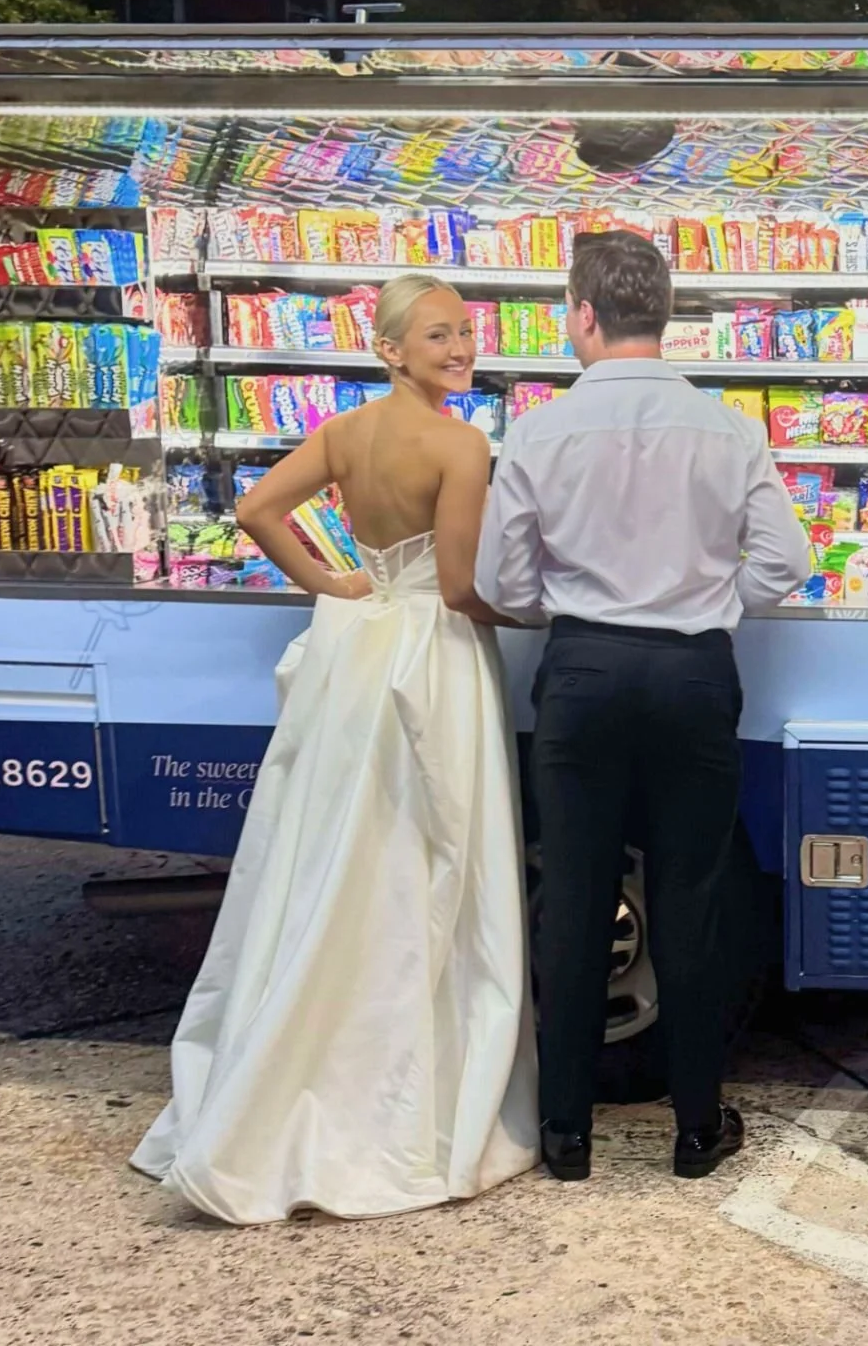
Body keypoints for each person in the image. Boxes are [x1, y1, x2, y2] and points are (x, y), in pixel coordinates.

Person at [132, 275, 538, 1222]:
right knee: (433, 856)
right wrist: (527, 607)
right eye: (440, 334)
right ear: (392, 347)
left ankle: (280, 1064)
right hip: (434, 659)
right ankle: (407, 1091)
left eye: (466, 331)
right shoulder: (463, 443)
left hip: (356, 659)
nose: (461, 347)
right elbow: (460, 586)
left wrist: (336, 582)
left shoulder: (347, 433)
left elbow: (259, 509)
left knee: (334, 853)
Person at [475, 230, 811, 1183]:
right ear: (662, 314)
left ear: (584, 315)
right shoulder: (729, 428)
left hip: (581, 672)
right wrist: (711, 607)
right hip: (693, 673)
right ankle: (697, 1129)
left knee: (574, 898)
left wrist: (570, 610)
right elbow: (787, 562)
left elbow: (501, 577)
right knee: (691, 903)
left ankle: (567, 1134)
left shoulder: (539, 431)